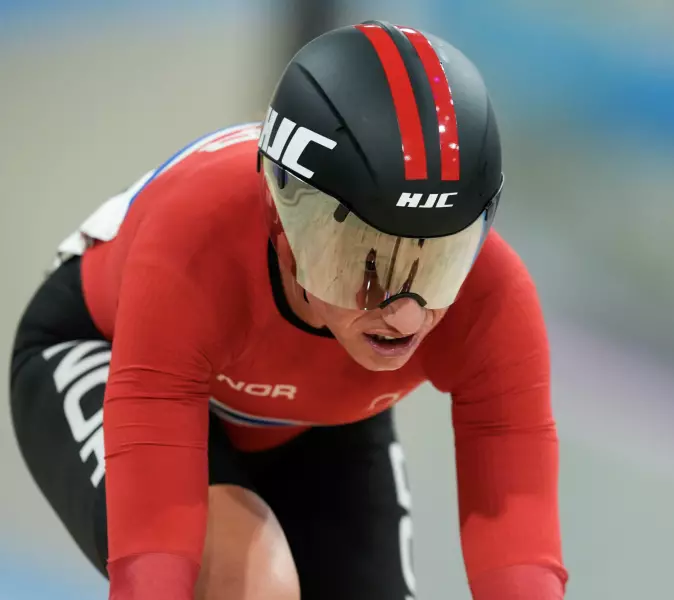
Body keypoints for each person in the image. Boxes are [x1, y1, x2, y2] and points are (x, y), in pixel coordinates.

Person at [9, 20, 568, 600]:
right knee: (249, 587)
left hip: (308, 420)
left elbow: (520, 563)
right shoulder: (197, 242)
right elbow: (153, 569)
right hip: (108, 352)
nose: (404, 317)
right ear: (283, 225)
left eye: (437, 265)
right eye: (364, 266)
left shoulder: (491, 296)